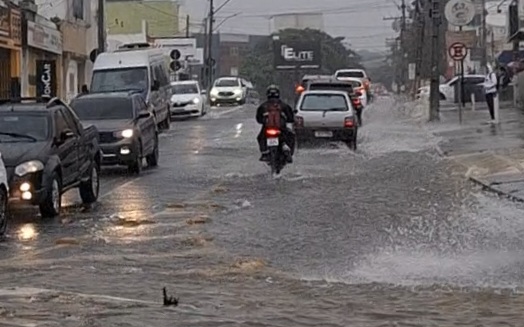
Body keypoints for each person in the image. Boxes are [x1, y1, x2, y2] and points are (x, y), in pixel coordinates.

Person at [256, 85, 295, 163]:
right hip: (281, 129)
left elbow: (258, 119)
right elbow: (291, 118)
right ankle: (287, 150)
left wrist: (264, 121)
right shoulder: (284, 105)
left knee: (260, 137)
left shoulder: (263, 106)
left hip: (266, 129)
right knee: (291, 135)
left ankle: (264, 153)